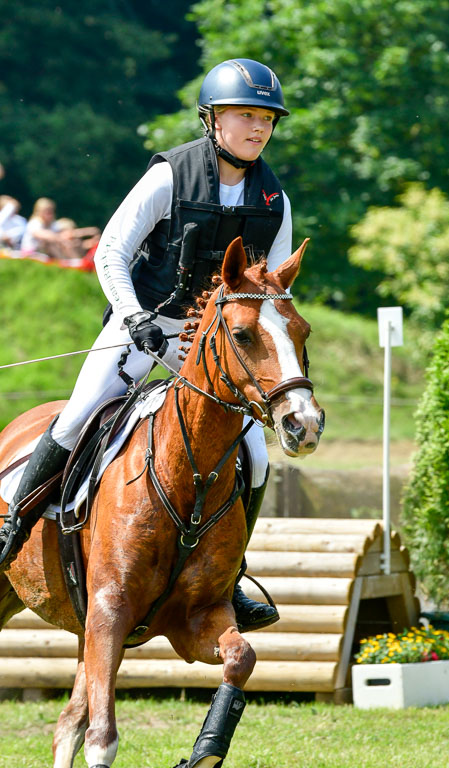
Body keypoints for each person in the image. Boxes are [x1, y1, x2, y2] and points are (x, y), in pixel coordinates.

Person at [0, 58, 291, 632]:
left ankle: (231, 576)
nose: (259, 128)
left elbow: (274, 290)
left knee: (255, 455)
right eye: (246, 115)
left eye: (267, 119)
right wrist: (134, 317)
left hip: (214, 348)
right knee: (76, 417)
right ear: (213, 119)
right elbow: (111, 250)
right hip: (146, 325)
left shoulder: (273, 199)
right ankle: (11, 532)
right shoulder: (170, 176)